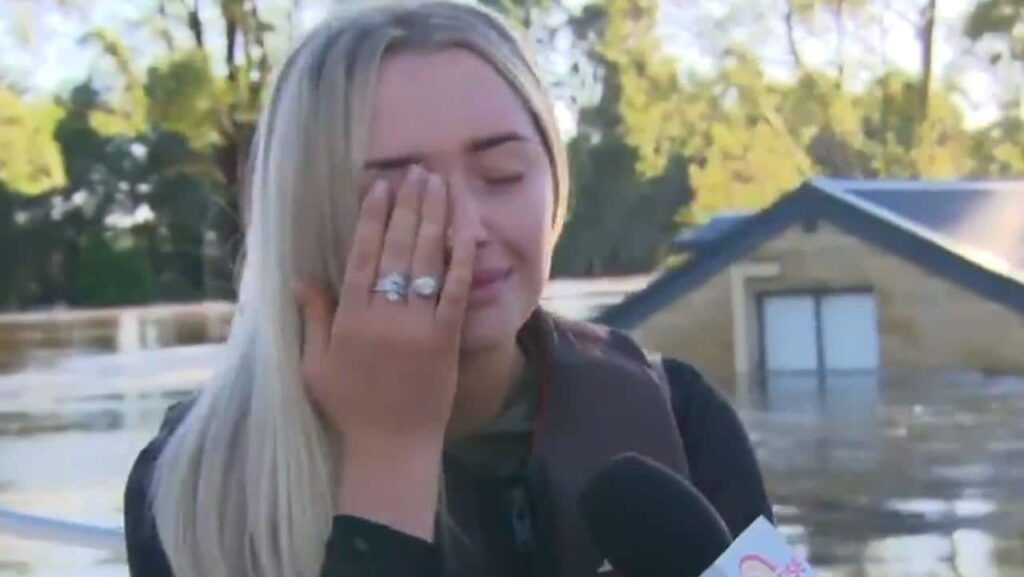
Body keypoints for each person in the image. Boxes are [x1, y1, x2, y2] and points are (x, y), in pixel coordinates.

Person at [123, 2, 774, 577]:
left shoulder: (678, 414)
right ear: (307, 215)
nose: (467, 230)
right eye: (403, 197)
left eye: (503, 173)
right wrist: (388, 457)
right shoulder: (194, 484)